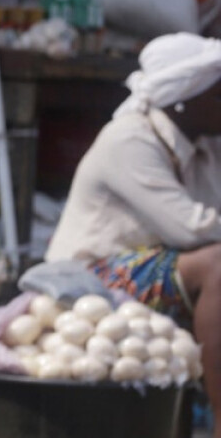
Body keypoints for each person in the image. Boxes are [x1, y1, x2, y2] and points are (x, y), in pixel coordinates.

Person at [46, 33, 221, 434]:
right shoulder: (129, 138)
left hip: (160, 269)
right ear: (183, 97)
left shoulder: (207, 147)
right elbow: (191, 228)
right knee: (217, 265)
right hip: (87, 280)